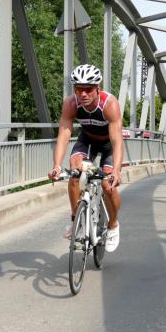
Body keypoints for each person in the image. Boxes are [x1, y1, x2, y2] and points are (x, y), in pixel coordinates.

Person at [49, 64, 123, 252]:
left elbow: (117, 141)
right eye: (78, 89)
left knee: (108, 185)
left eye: (88, 89)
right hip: (87, 140)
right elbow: (63, 135)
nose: (83, 94)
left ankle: (113, 224)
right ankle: (77, 220)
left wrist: (116, 170)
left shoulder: (109, 104)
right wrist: (56, 166)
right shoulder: (71, 104)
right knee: (74, 172)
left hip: (108, 145)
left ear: (97, 88)